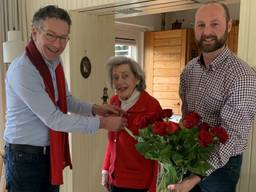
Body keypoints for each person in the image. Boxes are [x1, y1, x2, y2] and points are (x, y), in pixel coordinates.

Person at [3, 5, 127, 192]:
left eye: (63, 37)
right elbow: (54, 119)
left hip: (48, 154)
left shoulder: (54, 62)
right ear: (34, 32)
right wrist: (102, 123)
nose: (58, 44)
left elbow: (66, 100)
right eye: (51, 35)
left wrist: (95, 109)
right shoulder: (24, 70)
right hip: (24, 159)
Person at [168, 2, 256, 192]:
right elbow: (186, 117)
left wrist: (196, 175)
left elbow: (231, 136)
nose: (206, 31)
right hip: (191, 155)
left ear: (229, 26)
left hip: (223, 166)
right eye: (201, 25)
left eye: (215, 24)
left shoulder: (242, 76)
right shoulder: (189, 70)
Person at [101, 56, 163, 192]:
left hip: (139, 184)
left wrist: (154, 188)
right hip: (115, 179)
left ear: (137, 79)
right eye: (115, 77)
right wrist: (106, 168)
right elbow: (112, 141)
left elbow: (159, 153)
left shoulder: (151, 106)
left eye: (125, 76)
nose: (119, 82)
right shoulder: (114, 102)